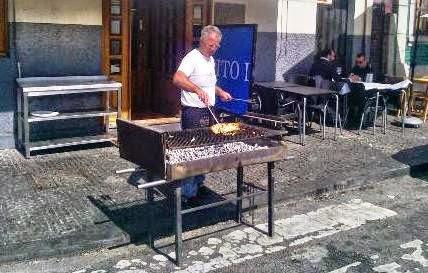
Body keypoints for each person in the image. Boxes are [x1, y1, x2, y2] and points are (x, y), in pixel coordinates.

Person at [172, 25, 232, 203]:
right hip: (193, 112)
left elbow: (207, 84)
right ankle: (186, 194)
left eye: (216, 45)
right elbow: (178, 78)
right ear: (202, 41)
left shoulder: (210, 60)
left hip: (209, 110)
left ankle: (198, 184)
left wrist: (220, 92)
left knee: (206, 150)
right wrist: (196, 90)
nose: (213, 48)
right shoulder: (192, 58)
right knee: (193, 152)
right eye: (211, 45)